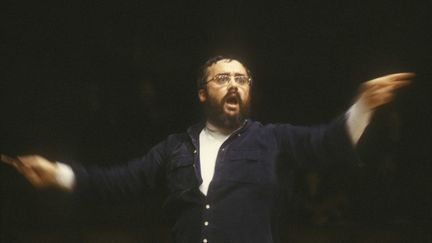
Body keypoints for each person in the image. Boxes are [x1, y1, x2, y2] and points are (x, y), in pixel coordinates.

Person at [3, 56, 414, 243]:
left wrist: (364, 104)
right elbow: (119, 182)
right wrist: (55, 173)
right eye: (222, 78)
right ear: (203, 93)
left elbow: (330, 142)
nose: (234, 83)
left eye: (242, 78)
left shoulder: (271, 138)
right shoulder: (173, 148)